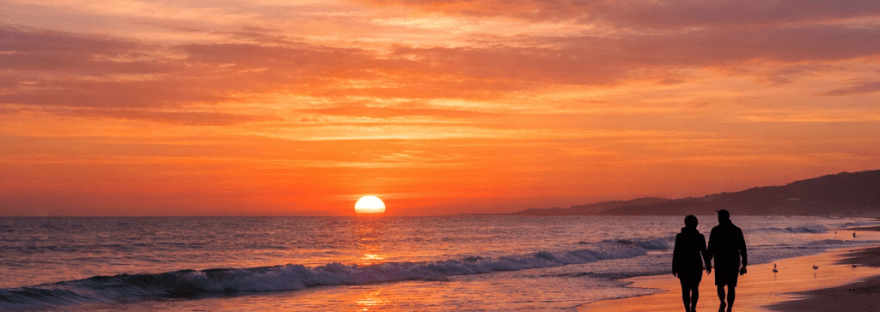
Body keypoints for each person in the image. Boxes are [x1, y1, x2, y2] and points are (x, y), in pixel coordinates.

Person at [708, 210, 747, 312]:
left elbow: (710, 248)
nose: (718, 219)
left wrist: (708, 261)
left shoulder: (715, 230)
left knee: (720, 285)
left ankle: (722, 302)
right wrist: (744, 264)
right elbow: (743, 248)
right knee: (731, 286)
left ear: (721, 218)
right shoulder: (736, 230)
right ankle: (729, 307)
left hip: (720, 261)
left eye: (719, 217)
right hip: (733, 261)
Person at [673, 215, 712, 312]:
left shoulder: (680, 236)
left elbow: (676, 252)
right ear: (696, 224)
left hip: (683, 263)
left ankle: (688, 309)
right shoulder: (699, 236)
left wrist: (674, 266)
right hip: (696, 263)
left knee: (685, 289)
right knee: (695, 288)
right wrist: (708, 264)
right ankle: (693, 308)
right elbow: (704, 252)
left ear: (685, 223)